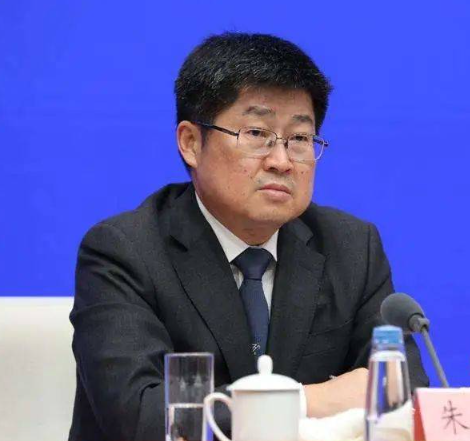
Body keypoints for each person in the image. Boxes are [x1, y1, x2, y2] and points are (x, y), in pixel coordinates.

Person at [68, 32, 429, 441]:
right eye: (257, 134)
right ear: (191, 142)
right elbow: (143, 418)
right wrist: (305, 400)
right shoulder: (124, 250)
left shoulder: (351, 247)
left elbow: (405, 391)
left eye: (299, 139)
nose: (281, 161)